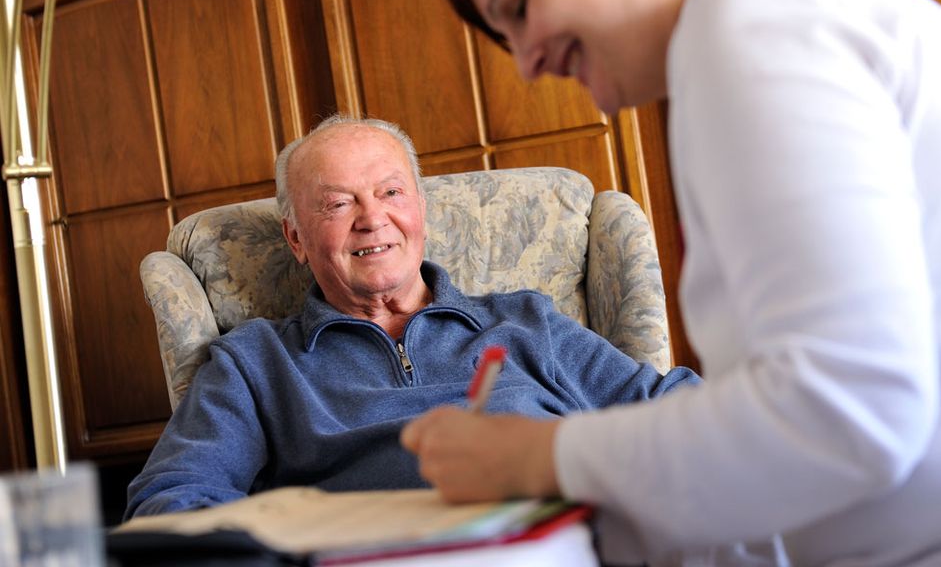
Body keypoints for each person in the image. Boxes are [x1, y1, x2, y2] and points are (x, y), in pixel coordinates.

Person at [400, 0, 941, 565]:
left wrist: (537, 458)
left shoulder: (751, 29)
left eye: (520, 6)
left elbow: (849, 410)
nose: (526, 63)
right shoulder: (767, 20)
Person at [123, 113, 699, 520]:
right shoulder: (254, 364)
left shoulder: (527, 323)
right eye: (338, 203)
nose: (372, 219)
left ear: (420, 211)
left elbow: (671, 409)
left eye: (391, 192)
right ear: (295, 238)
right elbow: (172, 495)